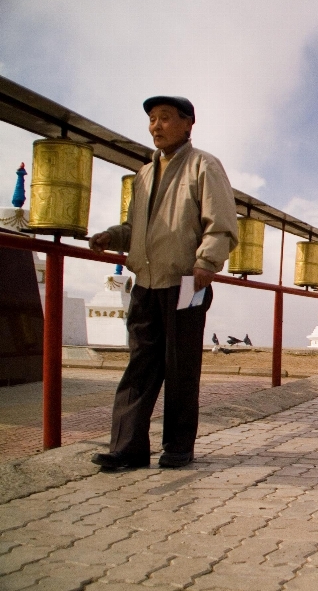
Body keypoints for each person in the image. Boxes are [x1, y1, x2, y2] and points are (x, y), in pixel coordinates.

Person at [89, 96, 238, 470]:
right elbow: (137, 229)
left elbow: (221, 225)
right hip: (146, 283)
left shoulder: (204, 166)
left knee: (181, 365)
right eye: (152, 119)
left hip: (187, 281)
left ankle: (178, 445)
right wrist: (114, 236)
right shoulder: (143, 175)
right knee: (139, 365)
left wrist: (206, 262)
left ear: (189, 124)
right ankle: (128, 448)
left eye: (165, 118)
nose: (156, 126)